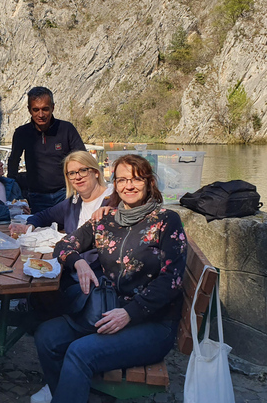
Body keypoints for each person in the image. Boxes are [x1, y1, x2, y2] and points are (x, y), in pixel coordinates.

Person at [31, 154, 187, 403]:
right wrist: (78, 261)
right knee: (47, 335)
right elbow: (63, 246)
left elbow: (172, 280)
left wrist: (130, 313)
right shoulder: (104, 220)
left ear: (149, 183)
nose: (129, 186)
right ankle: (70, 393)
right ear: (115, 183)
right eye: (122, 179)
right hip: (108, 309)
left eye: (136, 179)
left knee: (80, 352)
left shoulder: (166, 221)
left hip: (152, 322)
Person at [8, 87, 85, 213]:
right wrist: (11, 188)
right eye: (36, 110)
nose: (41, 114)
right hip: (35, 196)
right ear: (29, 110)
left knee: (69, 230)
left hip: (65, 193)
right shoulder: (22, 133)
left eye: (45, 109)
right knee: (38, 231)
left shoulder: (66, 129)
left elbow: (82, 158)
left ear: (52, 108)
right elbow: (14, 161)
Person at [10, 150, 112, 236]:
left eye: (83, 170)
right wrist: (29, 227)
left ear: (96, 173)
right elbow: (43, 216)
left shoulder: (114, 198)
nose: (78, 177)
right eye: (72, 173)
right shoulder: (72, 204)